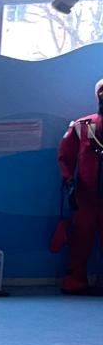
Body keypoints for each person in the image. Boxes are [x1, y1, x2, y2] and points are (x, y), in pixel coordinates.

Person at [58, 78, 103, 293]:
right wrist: (69, 183)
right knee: (80, 239)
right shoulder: (81, 126)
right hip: (86, 197)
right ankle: (75, 281)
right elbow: (65, 157)